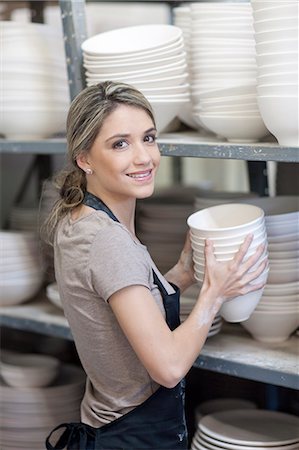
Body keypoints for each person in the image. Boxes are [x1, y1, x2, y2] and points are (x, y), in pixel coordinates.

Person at [43, 81, 267, 450]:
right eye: (120, 144)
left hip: (108, 426)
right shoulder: (108, 240)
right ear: (84, 158)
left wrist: (180, 275)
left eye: (148, 138)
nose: (144, 157)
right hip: (131, 436)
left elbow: (117, 303)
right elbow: (168, 367)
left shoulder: (81, 218)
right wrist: (214, 294)